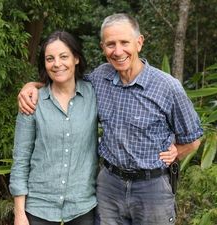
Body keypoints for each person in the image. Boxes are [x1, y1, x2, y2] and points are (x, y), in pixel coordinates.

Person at [18, 13, 203, 225]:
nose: (118, 51)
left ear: (139, 43)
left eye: (124, 42)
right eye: (110, 44)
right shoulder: (100, 78)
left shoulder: (167, 87)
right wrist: (32, 86)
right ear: (102, 47)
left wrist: (177, 151)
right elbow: (64, 81)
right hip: (109, 185)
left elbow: (194, 137)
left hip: (151, 186)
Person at [9, 31, 98, 225]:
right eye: (50, 59)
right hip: (39, 208)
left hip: (82, 207)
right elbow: (21, 159)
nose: (57, 64)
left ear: (76, 58)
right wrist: (19, 214)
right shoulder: (32, 101)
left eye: (63, 56)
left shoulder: (94, 94)